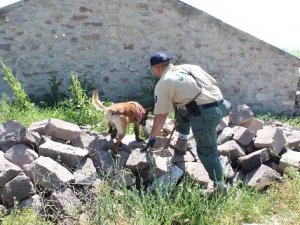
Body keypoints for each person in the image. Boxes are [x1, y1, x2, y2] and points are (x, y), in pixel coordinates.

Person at [141, 52, 231, 189]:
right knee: (182, 108)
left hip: (206, 115)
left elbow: (161, 115)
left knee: (206, 150)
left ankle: (221, 185)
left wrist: (152, 137)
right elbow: (213, 82)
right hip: (222, 104)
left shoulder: (164, 83)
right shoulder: (190, 67)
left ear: (156, 69)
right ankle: (182, 141)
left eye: (153, 71)